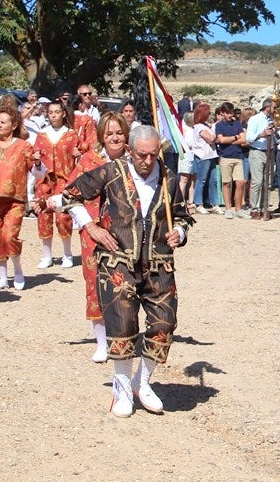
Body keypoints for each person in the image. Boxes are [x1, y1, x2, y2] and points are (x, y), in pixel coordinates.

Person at [53, 125, 194, 417]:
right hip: (117, 263)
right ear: (130, 151)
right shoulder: (110, 172)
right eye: (142, 155)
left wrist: (178, 232)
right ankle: (121, 386)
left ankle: (142, 382)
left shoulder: (168, 178)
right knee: (122, 324)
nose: (147, 161)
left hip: (159, 263)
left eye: (153, 155)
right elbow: (70, 196)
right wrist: (90, 226)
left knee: (165, 323)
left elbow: (182, 216)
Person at [60, 112, 130, 363]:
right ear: (101, 135)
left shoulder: (135, 161)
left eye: (119, 132)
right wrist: (89, 226)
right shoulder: (89, 160)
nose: (114, 137)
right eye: (109, 133)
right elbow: (70, 195)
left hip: (126, 233)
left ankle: (122, 335)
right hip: (92, 232)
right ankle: (102, 342)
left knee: (124, 283)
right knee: (95, 284)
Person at [0, 109, 35, 292]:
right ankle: (3, 277)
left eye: (4, 122)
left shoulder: (23, 146)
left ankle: (17, 270)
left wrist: (39, 163)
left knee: (9, 236)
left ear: (14, 125)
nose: (0, 125)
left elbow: (36, 171)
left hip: (14, 198)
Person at [32, 100, 79, 268]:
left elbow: (78, 159)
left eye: (57, 112)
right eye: (51, 112)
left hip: (64, 180)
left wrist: (77, 155)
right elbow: (35, 158)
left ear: (63, 113)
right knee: (44, 216)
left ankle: (67, 253)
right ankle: (47, 255)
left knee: (63, 216)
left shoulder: (71, 134)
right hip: (45, 180)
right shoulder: (41, 134)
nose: (53, 115)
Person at [245, 98, 277, 219]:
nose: (275, 110)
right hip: (257, 151)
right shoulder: (255, 119)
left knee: (268, 182)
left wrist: (276, 132)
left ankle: (265, 207)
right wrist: (261, 135)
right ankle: (255, 208)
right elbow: (249, 137)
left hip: (270, 151)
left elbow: (278, 139)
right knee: (257, 181)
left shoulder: (272, 120)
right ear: (267, 107)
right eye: (274, 107)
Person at [214, 102, 247, 218]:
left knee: (240, 182)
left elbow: (244, 139)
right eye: (227, 113)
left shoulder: (237, 124)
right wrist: (235, 137)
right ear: (222, 113)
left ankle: (238, 208)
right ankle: (228, 208)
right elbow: (221, 140)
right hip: (225, 157)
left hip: (238, 156)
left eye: (231, 112)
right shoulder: (219, 126)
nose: (229, 115)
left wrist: (231, 141)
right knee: (227, 183)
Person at [187, 102, 218, 214]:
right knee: (201, 180)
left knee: (213, 180)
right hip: (203, 156)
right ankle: (198, 203)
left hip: (211, 155)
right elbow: (210, 139)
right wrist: (214, 136)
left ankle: (215, 203)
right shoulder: (199, 127)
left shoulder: (206, 126)